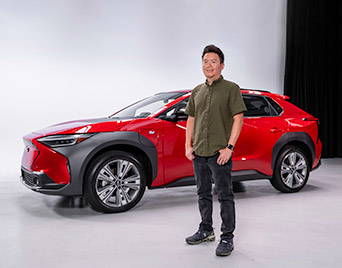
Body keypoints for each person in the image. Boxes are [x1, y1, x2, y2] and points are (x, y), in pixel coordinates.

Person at [184, 45, 246, 257]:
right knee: (202, 193)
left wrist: (229, 148)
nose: (208, 65)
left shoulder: (231, 88)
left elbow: (238, 119)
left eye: (213, 61)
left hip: (220, 152)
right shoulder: (196, 91)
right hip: (199, 151)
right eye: (205, 61)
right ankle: (206, 230)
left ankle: (227, 237)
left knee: (225, 195)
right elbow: (191, 118)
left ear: (222, 65)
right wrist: (188, 145)